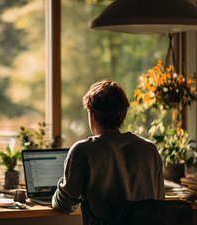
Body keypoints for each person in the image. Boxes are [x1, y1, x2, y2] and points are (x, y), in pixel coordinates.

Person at [52, 79, 165, 223]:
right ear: (123, 113)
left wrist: (62, 186)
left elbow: (65, 206)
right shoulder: (150, 149)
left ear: (91, 114)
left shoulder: (83, 151)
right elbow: (160, 202)